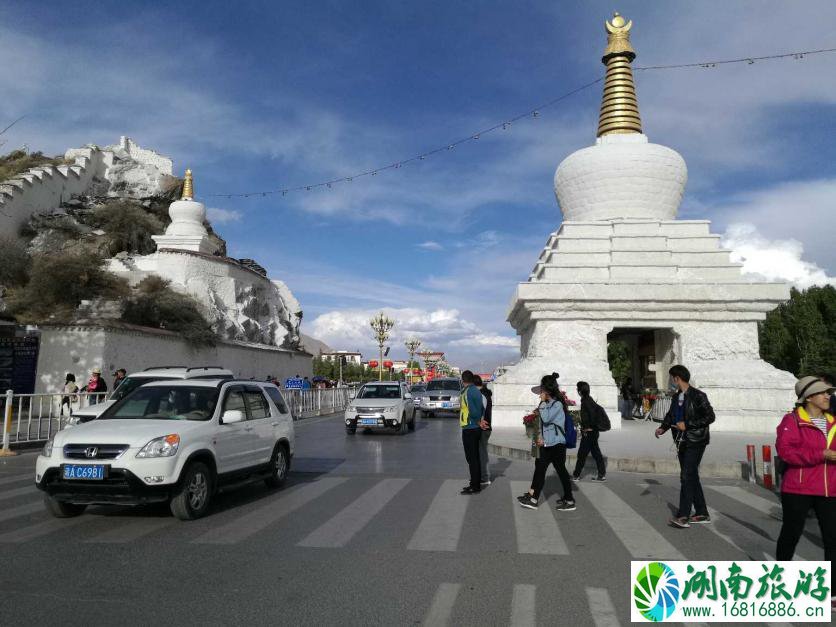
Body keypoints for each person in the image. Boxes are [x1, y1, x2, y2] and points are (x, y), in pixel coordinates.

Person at [775, 376, 836, 611]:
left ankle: (831, 591)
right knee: (791, 534)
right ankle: (780, 581)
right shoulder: (792, 421)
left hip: (830, 489)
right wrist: (821, 454)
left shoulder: (833, 422)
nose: (828, 396)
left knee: (833, 538)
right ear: (809, 397)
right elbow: (787, 452)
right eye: (823, 393)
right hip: (798, 489)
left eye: (829, 393)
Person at [655, 364, 715, 528]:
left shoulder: (698, 396)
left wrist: (687, 425)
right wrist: (662, 428)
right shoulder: (676, 397)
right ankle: (702, 512)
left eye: (671, 378)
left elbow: (710, 417)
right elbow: (671, 416)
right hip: (681, 441)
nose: (671, 381)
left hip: (696, 441)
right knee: (691, 475)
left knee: (686, 476)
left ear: (677, 378)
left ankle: (683, 516)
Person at [518, 373, 575, 511]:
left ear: (547, 390)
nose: (540, 394)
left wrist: (542, 403)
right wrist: (541, 437)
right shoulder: (550, 403)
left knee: (557, 471)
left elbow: (547, 418)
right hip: (548, 444)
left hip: (557, 444)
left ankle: (567, 500)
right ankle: (534, 497)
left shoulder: (557, 404)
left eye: (542, 390)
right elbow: (544, 424)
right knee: (541, 469)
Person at [572, 381, 607, 482]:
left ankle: (576, 475)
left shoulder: (586, 401)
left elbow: (591, 416)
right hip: (593, 432)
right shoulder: (589, 400)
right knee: (596, 453)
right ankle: (601, 475)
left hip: (589, 432)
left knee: (582, 455)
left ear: (580, 391)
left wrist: (588, 427)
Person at [459, 370, 485, 495]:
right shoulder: (474, 390)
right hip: (471, 427)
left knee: (472, 458)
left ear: (463, 379)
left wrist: (477, 421)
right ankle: (475, 482)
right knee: (473, 457)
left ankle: (475, 485)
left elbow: (474, 410)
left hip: (471, 428)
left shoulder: (468, 392)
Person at [474, 375, 492, 487]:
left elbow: (481, 412)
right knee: (481, 452)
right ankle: (482, 475)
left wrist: (478, 422)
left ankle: (484, 477)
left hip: (483, 427)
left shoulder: (482, 395)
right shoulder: (486, 393)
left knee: (482, 453)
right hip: (486, 427)